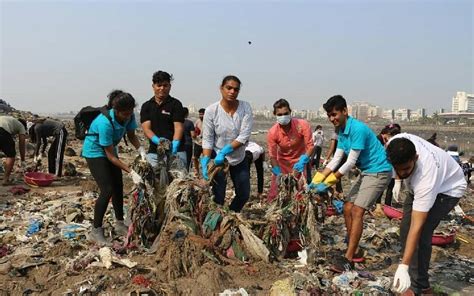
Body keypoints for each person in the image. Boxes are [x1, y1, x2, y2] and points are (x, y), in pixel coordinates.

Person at [309, 95, 392, 272]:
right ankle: (352, 246)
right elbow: (337, 158)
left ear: (345, 111)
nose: (332, 119)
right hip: (367, 172)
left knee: (357, 210)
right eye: (329, 116)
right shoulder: (340, 131)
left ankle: (348, 257)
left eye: (334, 114)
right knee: (347, 207)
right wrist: (317, 180)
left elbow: (350, 162)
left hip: (379, 171)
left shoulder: (357, 129)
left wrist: (330, 181)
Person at [387, 134, 466, 295]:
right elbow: (400, 169)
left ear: (415, 158)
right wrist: (397, 180)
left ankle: (418, 287)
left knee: (421, 233)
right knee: (404, 230)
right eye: (398, 170)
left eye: (406, 169)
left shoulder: (426, 177)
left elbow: (417, 225)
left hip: (449, 188)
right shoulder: (395, 143)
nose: (402, 174)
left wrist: (403, 265)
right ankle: (419, 282)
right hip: (420, 186)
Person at [82, 90, 145, 245]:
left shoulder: (129, 116)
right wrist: (131, 172)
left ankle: (119, 224)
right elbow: (110, 157)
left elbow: (131, 135)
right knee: (107, 189)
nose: (127, 116)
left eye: (130, 112)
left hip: (110, 150)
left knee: (118, 186)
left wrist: (141, 149)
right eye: (124, 113)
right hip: (95, 152)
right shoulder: (104, 123)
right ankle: (95, 230)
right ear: (116, 110)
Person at [201, 75, 253, 212]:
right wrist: (206, 159)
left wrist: (226, 150)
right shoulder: (211, 111)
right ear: (221, 88)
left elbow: (244, 136)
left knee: (243, 194)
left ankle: (231, 214)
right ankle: (216, 220)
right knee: (218, 195)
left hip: (238, 158)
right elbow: (207, 138)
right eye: (228, 88)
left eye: (236, 89)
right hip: (219, 159)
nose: (232, 92)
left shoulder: (245, 107)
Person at [267, 99, 314, 200]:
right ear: (274, 114)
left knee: (300, 192)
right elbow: (272, 156)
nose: (283, 116)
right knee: (275, 193)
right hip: (282, 164)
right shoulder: (272, 132)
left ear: (290, 112)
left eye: (285, 113)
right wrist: (277, 171)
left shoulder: (302, 125)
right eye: (279, 114)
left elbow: (310, 146)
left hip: (300, 163)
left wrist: (303, 160)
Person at [140, 70, 185, 169]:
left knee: (179, 181)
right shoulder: (146, 106)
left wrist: (175, 142)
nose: (162, 88)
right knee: (153, 180)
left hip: (176, 151)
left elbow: (178, 127)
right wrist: (157, 141)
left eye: (165, 85)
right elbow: (146, 128)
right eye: (159, 85)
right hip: (154, 152)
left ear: (170, 86)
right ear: (153, 86)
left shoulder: (176, 104)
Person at [373, 123, 402, 216]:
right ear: (387, 134)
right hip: (380, 166)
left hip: (390, 166)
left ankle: (387, 206)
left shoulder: (388, 141)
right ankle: (378, 206)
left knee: (390, 186)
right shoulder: (378, 140)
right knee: (381, 186)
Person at [0, 116, 26, 185]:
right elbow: (22, 144)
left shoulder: (10, 120)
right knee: (11, 155)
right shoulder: (21, 126)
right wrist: (23, 159)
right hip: (2, 130)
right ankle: (5, 179)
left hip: (2, 129)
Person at [192, 108, 205, 176]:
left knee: (205, 158)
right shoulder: (197, 122)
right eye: (200, 114)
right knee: (195, 158)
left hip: (205, 143)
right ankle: (197, 171)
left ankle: (205, 171)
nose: (201, 116)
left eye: (202, 114)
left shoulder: (208, 122)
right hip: (197, 142)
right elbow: (194, 131)